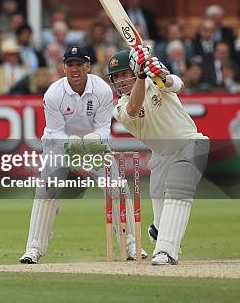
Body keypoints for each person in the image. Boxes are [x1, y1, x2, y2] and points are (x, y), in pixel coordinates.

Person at [20, 46, 145, 264]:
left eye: (80, 64)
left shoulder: (103, 90)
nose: (75, 69)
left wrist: (93, 142)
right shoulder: (53, 94)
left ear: (88, 66)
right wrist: (73, 146)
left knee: (117, 187)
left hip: (94, 143)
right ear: (64, 67)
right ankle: (33, 249)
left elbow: (104, 126)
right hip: (59, 144)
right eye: (70, 64)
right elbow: (57, 131)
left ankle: (131, 245)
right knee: (47, 191)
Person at [107, 45, 209, 265]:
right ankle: (158, 230)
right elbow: (134, 109)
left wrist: (160, 73)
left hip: (191, 144)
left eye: (125, 74)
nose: (120, 80)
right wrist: (143, 75)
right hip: (161, 156)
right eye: (116, 77)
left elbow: (177, 84)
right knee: (163, 218)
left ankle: (165, 251)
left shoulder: (156, 82)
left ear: (133, 71)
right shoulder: (120, 108)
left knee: (178, 193)